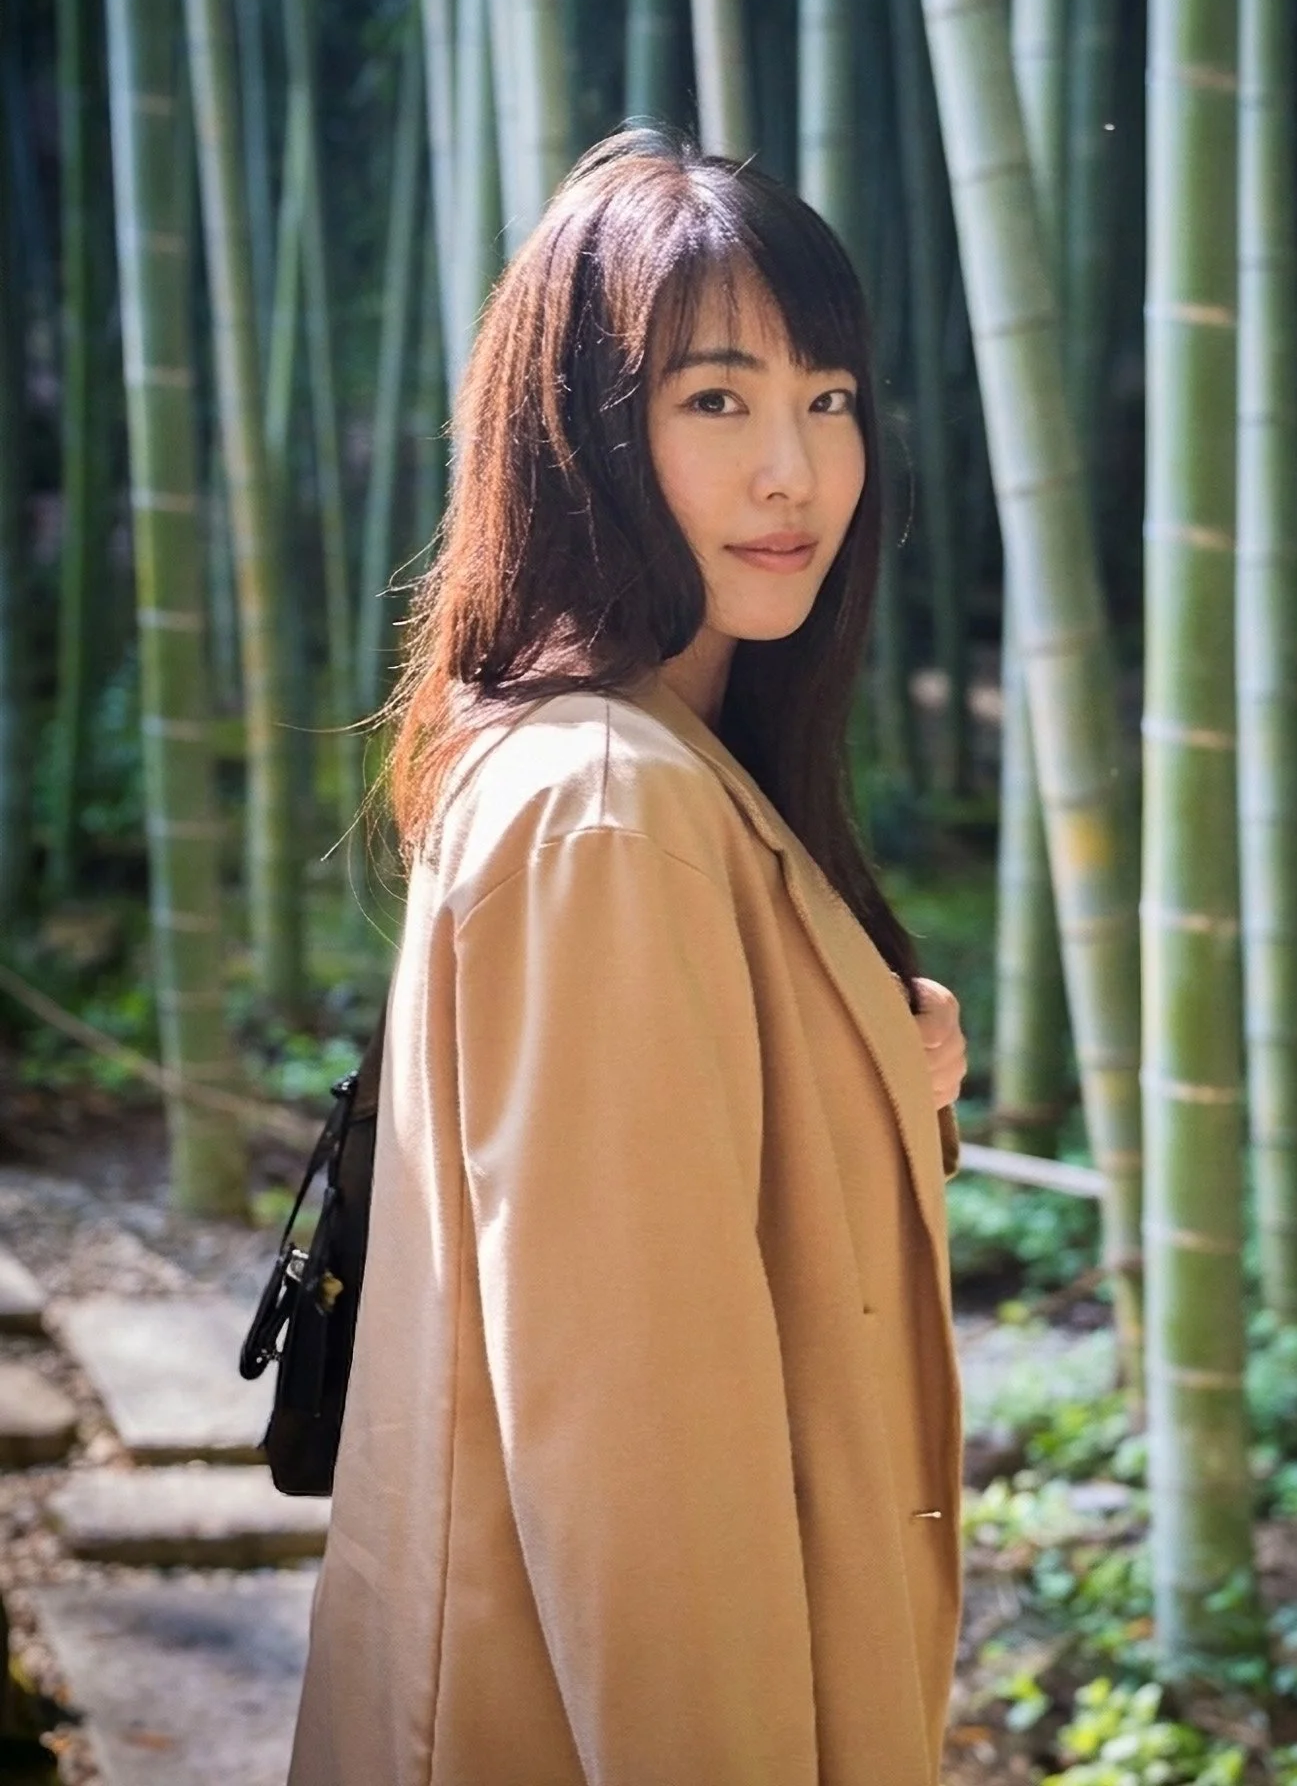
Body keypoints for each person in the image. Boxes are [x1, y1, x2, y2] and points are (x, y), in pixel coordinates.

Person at [288, 128, 969, 1786]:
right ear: (581, 436)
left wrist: (870, 1061)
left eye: (826, 398)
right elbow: (644, 1472)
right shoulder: (607, 809)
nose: (792, 472)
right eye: (714, 400)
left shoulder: (640, 764)